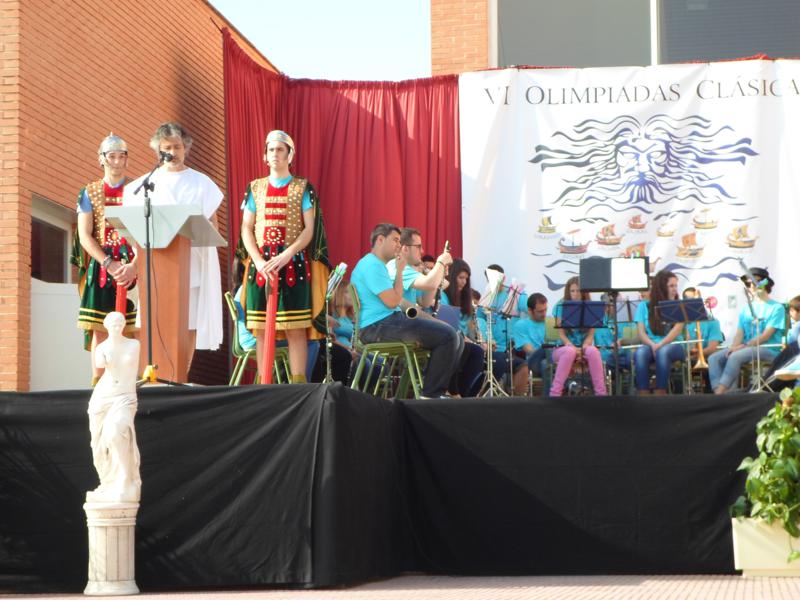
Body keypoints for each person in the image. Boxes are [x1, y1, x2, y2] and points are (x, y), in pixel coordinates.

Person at [123, 122, 224, 366]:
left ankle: (182, 371)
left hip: (192, 263)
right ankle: (155, 372)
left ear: (185, 148)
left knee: (188, 320)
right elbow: (136, 230)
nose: (173, 152)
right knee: (156, 318)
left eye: (177, 147)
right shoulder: (143, 185)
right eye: (167, 147)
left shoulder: (201, 183)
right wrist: (135, 263)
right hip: (157, 265)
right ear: (158, 150)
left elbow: (213, 224)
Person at [240, 130, 329, 383]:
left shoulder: (303, 187)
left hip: (294, 265)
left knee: (295, 328)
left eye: (280, 149)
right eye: (271, 150)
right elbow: (246, 228)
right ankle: (263, 383)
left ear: (290, 155)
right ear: (264, 155)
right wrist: (258, 261)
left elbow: (309, 229)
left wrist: (288, 253)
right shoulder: (254, 188)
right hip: (261, 265)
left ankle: (298, 383)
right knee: (261, 329)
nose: (275, 154)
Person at [351, 223, 460, 398]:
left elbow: (400, 299)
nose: (398, 245)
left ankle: (431, 392)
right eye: (395, 240)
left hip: (383, 323)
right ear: (380, 240)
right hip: (377, 326)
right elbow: (393, 301)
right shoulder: (372, 265)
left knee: (450, 335)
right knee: (448, 336)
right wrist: (403, 271)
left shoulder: (376, 265)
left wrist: (401, 271)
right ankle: (430, 395)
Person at [73, 133, 138, 386]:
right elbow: (84, 235)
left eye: (122, 156)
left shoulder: (137, 189)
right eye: (112, 156)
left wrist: (134, 266)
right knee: (100, 328)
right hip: (102, 267)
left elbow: (147, 233)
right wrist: (108, 263)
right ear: (101, 159)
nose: (117, 161)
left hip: (133, 266)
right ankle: (98, 384)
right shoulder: (89, 192)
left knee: (134, 329)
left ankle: (131, 382)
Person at [87, 311, 141, 504]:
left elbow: (129, 366)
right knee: (99, 443)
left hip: (125, 397)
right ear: (107, 326)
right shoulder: (101, 348)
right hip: (102, 397)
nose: (117, 326)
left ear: (124, 324)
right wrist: (104, 357)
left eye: (120, 323)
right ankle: (108, 481)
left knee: (115, 432)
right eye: (113, 323)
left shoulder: (133, 345)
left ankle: (125, 478)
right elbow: (99, 364)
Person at [709, 268, 785, 394]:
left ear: (766, 283)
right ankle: (721, 392)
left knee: (735, 356)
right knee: (714, 358)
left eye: (756, 282)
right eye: (748, 284)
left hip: (768, 348)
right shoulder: (746, 309)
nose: (752, 286)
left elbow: (766, 336)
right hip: (746, 348)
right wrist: (733, 347)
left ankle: (719, 394)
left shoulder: (777, 308)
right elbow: (739, 333)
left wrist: (742, 347)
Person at [550, 277, 607, 397]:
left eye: (578, 291)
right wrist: (572, 347)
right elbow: (561, 334)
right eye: (572, 291)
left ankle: (601, 394)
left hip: (583, 347)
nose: (575, 294)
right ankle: (555, 394)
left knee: (593, 351)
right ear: (568, 292)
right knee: (569, 352)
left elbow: (590, 335)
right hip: (564, 347)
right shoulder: (560, 306)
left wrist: (584, 347)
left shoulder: (591, 307)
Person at [634, 269, 685, 395]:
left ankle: (660, 392)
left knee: (663, 351)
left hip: (674, 345)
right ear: (662, 287)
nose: (675, 289)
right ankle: (643, 393)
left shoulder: (679, 305)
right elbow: (641, 333)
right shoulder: (643, 306)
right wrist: (653, 345)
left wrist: (660, 345)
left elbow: (676, 330)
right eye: (671, 286)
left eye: (676, 286)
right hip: (651, 344)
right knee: (640, 353)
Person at [513, 293, 549, 388]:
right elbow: (530, 351)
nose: (544, 314)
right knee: (545, 356)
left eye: (545, 310)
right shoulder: (520, 325)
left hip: (551, 359)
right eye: (540, 311)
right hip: (533, 361)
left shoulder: (551, 322)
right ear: (530, 310)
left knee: (547, 363)